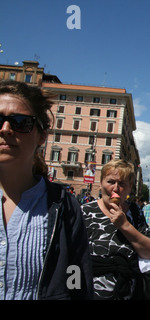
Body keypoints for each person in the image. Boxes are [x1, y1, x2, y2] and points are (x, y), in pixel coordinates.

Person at [0, 80, 93, 299]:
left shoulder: (63, 203)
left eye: (20, 122)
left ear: (42, 136)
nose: (5, 129)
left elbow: (76, 272)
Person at [81, 159, 150, 299]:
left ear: (129, 188)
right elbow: (69, 258)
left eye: (122, 184)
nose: (115, 189)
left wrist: (125, 225)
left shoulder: (135, 212)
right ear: (101, 183)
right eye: (110, 182)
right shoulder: (84, 212)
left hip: (127, 292)